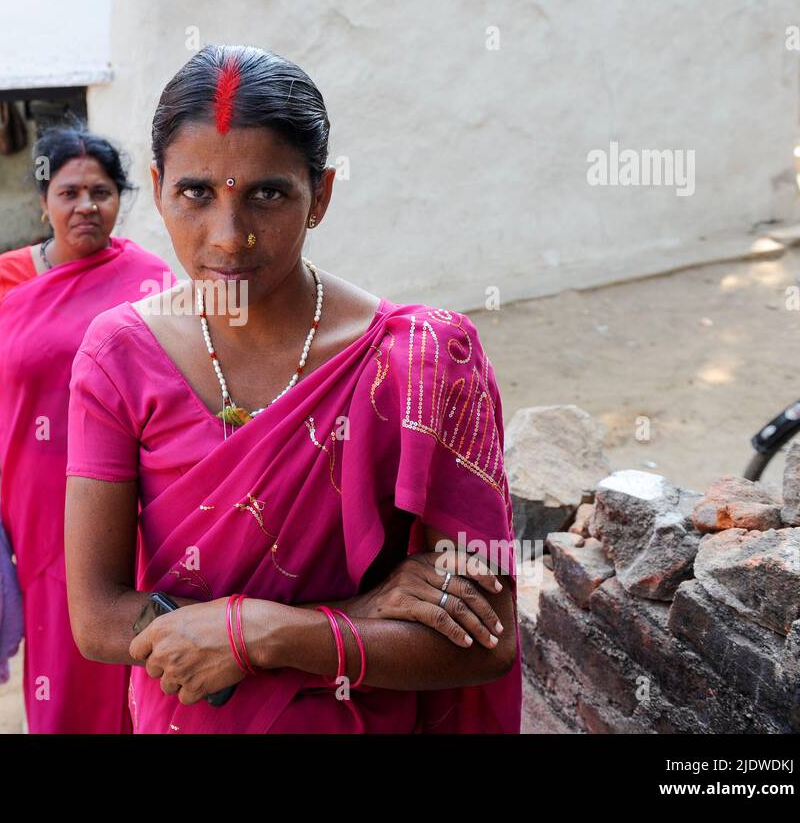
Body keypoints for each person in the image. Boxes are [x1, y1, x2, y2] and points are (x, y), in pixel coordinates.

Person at [64, 44, 521, 733]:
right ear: (158, 189)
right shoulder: (118, 355)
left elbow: (488, 643)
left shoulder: (422, 363)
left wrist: (267, 635)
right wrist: (355, 615)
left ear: (322, 196)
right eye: (195, 193)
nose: (230, 236)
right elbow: (97, 619)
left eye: (267, 194)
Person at [0, 122, 170, 733]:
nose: (86, 206)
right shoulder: (5, 279)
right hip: (39, 496)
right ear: (42, 202)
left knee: (125, 615)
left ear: (120, 200)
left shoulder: (151, 281)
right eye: (68, 193)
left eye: (100, 191)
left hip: (131, 491)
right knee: (59, 624)